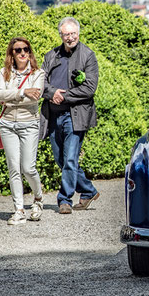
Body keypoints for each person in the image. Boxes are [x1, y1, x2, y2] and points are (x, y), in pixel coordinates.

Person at [40, 17, 100, 214]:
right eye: (66, 34)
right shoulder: (51, 56)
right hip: (53, 116)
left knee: (70, 159)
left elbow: (90, 88)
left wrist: (62, 96)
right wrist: (51, 93)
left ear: (78, 34)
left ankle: (64, 199)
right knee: (61, 159)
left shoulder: (88, 55)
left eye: (73, 33)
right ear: (61, 35)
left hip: (76, 116)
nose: (70, 37)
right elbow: (40, 82)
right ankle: (88, 190)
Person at [0, 37, 44, 225]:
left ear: (30, 52)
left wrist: (10, 97)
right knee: (13, 168)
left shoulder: (38, 73)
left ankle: (38, 199)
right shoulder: (4, 72)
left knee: (28, 168)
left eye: (26, 49)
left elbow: (35, 98)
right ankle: (19, 210)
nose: (22, 53)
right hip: (7, 124)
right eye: (18, 50)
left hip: (29, 123)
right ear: (12, 54)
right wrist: (23, 92)